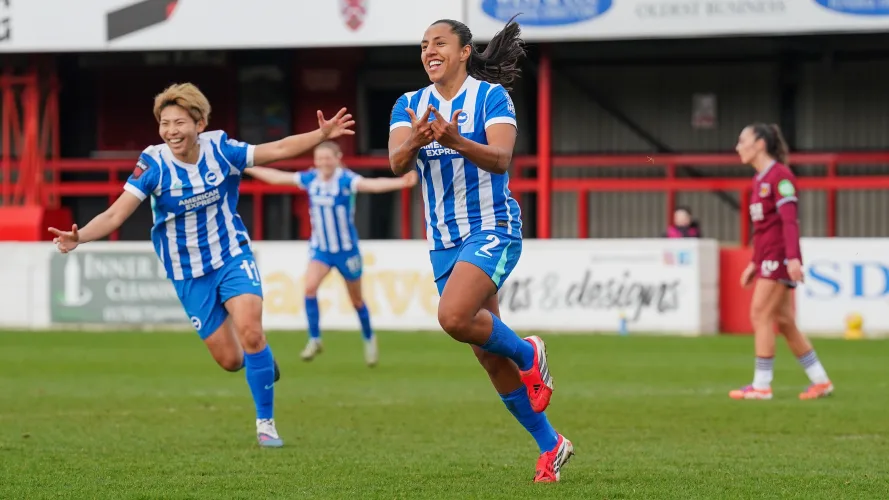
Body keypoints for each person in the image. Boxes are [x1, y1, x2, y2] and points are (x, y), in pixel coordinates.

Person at [48, 82, 355, 446]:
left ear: (200, 123)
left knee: (251, 330)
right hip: (188, 273)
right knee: (229, 359)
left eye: (179, 122)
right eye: (164, 123)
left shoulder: (221, 149)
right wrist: (79, 236)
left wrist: (319, 135)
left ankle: (265, 424)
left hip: (231, 255)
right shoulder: (153, 163)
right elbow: (116, 214)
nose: (171, 131)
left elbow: (277, 149)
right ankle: (260, 361)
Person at [387, 16, 573, 483]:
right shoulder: (409, 104)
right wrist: (416, 137)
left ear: (465, 51)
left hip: (492, 227)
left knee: (452, 317)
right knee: (488, 355)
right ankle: (551, 445)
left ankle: (530, 355)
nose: (430, 50)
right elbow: (395, 163)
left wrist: (455, 140)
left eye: (440, 43)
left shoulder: (491, 97)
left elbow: (501, 158)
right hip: (444, 241)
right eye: (424, 44)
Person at [244, 141, 419, 366]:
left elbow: (372, 185)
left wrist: (400, 183)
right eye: (319, 159)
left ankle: (369, 338)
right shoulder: (310, 179)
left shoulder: (346, 180)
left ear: (337, 159)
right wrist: (247, 166)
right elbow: (278, 178)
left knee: (356, 301)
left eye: (327, 158)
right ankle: (315, 339)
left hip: (346, 251)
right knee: (309, 288)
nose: (323, 163)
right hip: (321, 250)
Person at [730, 123, 834, 401]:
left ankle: (762, 385)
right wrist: (754, 261)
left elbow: (789, 222)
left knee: (760, 314)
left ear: (760, 144)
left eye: (742, 141)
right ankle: (821, 381)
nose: (737, 147)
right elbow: (764, 228)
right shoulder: (758, 180)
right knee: (785, 321)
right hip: (768, 258)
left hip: (778, 258)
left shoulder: (780, 177)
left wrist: (793, 259)